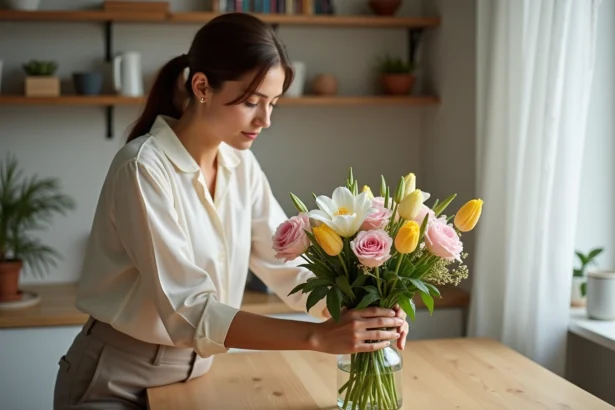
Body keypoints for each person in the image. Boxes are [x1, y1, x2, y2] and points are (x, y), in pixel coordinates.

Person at [53, 12, 408, 410]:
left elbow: (286, 266)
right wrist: (317, 337)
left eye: (272, 103)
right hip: (116, 380)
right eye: (252, 102)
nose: (265, 119)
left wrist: (364, 313)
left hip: (196, 377)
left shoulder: (242, 167)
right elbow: (189, 310)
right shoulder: (143, 169)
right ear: (202, 86)